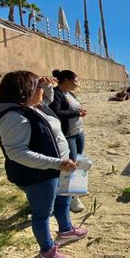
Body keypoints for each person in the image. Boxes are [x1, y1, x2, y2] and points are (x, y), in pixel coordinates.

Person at [0, 71, 87, 258]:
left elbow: (48, 101)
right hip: (38, 174)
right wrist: (56, 163)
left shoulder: (35, 106)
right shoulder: (13, 116)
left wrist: (46, 86)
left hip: (57, 167)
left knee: (64, 198)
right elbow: (17, 153)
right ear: (25, 92)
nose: (42, 89)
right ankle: (46, 251)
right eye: (37, 86)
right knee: (43, 212)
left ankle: (65, 230)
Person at [50, 70, 87, 213]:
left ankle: (76, 189)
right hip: (68, 135)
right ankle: (71, 198)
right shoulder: (56, 94)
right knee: (70, 164)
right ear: (66, 80)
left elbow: (73, 108)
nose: (78, 84)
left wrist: (80, 112)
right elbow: (56, 112)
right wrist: (77, 113)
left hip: (78, 132)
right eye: (76, 81)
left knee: (78, 161)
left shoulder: (69, 94)